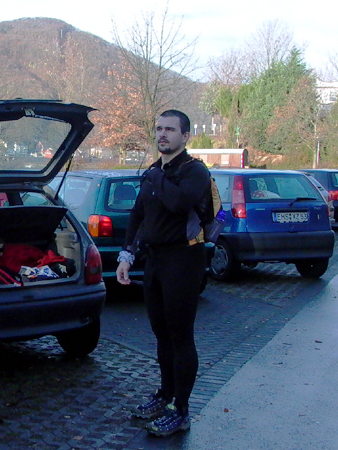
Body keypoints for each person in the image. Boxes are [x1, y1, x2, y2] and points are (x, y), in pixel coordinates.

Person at [116, 110, 211, 437]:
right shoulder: (154, 172)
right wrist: (127, 255)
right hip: (155, 261)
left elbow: (178, 203)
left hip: (184, 260)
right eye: (158, 129)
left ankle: (181, 409)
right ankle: (165, 394)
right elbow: (138, 215)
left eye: (170, 129)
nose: (162, 135)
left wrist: (155, 176)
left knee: (180, 335)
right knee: (161, 334)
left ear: (185, 136)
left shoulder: (195, 171)